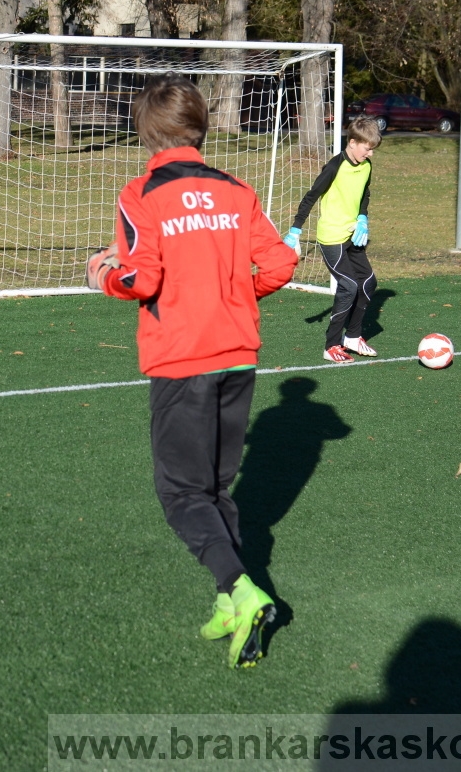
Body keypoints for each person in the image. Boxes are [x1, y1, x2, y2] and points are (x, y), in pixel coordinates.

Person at [86, 73, 298, 669]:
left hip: (182, 358)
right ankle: (233, 598)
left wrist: (100, 271)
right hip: (236, 352)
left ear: (146, 134)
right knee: (213, 489)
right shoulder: (236, 189)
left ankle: (242, 588)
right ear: (199, 128)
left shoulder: (141, 193)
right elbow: (281, 262)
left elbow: (140, 278)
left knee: (180, 493)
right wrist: (238, 293)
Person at [284, 117, 382, 363]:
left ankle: (353, 336)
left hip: (353, 235)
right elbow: (310, 196)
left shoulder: (366, 166)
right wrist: (296, 230)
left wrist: (362, 217)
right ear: (352, 142)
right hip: (331, 238)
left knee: (368, 283)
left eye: (372, 149)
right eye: (366, 148)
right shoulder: (334, 166)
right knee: (349, 286)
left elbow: (364, 194)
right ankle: (331, 346)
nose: (370, 153)